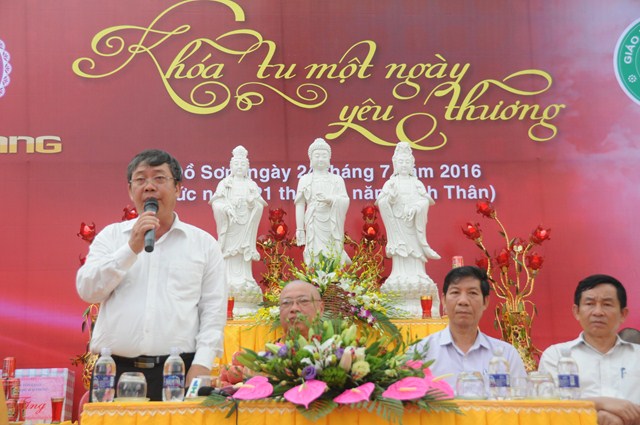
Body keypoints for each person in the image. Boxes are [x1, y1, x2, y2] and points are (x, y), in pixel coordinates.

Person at [76, 149, 228, 401]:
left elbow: (213, 311)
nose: (149, 186)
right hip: (113, 372)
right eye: (140, 179)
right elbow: (88, 290)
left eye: (159, 178)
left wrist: (202, 364)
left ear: (178, 188)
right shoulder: (111, 237)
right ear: (130, 190)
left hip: (177, 372)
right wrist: (130, 249)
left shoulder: (203, 244)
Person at [538, 274, 640, 425]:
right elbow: (548, 408)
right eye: (590, 303)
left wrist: (619, 419)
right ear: (576, 311)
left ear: (623, 314)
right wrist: (599, 404)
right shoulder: (555, 356)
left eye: (607, 304)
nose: (598, 312)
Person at [407, 266, 527, 389]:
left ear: (485, 302)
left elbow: (522, 398)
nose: (463, 301)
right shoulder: (420, 352)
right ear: (443, 300)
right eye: (455, 292)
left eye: (472, 293)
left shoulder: (506, 355)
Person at [376, 142, 441, 316]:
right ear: (395, 164)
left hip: (412, 225)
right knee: (400, 254)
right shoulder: (391, 183)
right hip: (398, 225)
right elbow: (381, 201)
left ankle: (418, 275)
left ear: (412, 164)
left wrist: (416, 208)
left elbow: (426, 200)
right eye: (401, 162)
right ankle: (399, 275)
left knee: (415, 255)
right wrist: (390, 198)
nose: (404, 165)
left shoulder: (416, 183)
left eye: (407, 162)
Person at [210, 145, 266, 314]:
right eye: (237, 164)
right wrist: (226, 209)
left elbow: (259, 203)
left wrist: (251, 203)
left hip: (245, 225)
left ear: (247, 167)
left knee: (243, 255)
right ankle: (228, 282)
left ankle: (245, 280)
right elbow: (216, 202)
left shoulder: (251, 184)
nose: (240, 167)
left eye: (243, 165)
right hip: (230, 225)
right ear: (231, 167)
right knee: (229, 255)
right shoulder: (225, 184)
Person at [295, 138, 350, 266]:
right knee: (313, 253)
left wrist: (331, 199)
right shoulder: (304, 180)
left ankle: (334, 275)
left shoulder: (337, 180)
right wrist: (300, 229)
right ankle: (315, 276)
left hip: (332, 222)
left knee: (333, 252)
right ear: (311, 158)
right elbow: (300, 204)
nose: (320, 159)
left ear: (329, 158)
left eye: (324, 156)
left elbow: (345, 200)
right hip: (313, 221)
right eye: (317, 156)